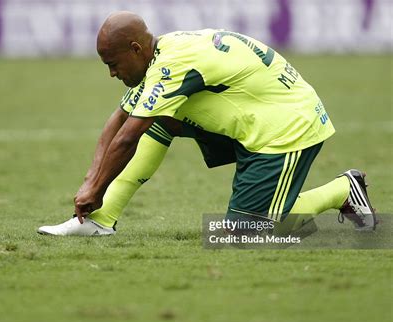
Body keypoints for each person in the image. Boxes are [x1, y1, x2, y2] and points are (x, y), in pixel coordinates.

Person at [38, 11, 376, 236]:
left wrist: (95, 189)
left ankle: (343, 190)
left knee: (243, 235)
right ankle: (100, 221)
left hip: (286, 127)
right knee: (158, 118)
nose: (111, 73)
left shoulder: (172, 66)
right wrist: (90, 183)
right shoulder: (158, 56)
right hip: (254, 116)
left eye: (112, 64)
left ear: (136, 48)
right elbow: (118, 120)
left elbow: (127, 139)